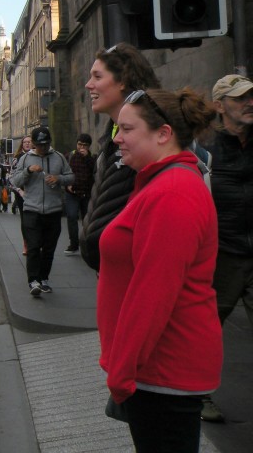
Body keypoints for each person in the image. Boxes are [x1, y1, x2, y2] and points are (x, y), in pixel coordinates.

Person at [98, 88, 221, 452]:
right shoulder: (162, 183)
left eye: (126, 129)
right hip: (154, 370)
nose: (116, 139)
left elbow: (153, 294)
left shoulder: (173, 192)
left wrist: (122, 372)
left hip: (163, 370)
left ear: (163, 134)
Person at [199, 74, 253, 423]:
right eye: (240, 99)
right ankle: (200, 393)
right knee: (205, 329)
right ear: (220, 106)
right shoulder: (205, 149)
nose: (249, 104)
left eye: (251, 97)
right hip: (223, 254)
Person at [79, 43, 160, 272]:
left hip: (134, 270)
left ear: (123, 80)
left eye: (97, 76)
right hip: (111, 269)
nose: (88, 84)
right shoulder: (111, 134)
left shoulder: (148, 135)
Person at [9, 126, 74, 297]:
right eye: (39, 145)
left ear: (49, 143)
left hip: (53, 210)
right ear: (34, 144)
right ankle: (33, 281)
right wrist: (28, 171)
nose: (42, 148)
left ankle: (44, 278)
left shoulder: (59, 157)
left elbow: (71, 176)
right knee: (33, 246)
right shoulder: (25, 159)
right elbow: (15, 180)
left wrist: (59, 179)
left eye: (45, 145)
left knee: (49, 248)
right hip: (32, 209)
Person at [63, 133, 95, 254]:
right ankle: (73, 244)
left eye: (84, 145)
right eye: (79, 144)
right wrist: (67, 184)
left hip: (86, 193)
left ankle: (86, 244)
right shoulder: (70, 156)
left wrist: (87, 158)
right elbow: (64, 172)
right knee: (71, 217)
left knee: (87, 219)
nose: (81, 147)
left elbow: (95, 171)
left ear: (88, 146)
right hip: (72, 193)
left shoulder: (92, 158)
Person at [9, 136, 32, 216]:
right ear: (22, 144)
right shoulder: (17, 158)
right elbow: (12, 176)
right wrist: (18, 190)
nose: (27, 143)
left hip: (34, 191)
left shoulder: (38, 156)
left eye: (29, 141)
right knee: (25, 217)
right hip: (22, 192)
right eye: (25, 142)